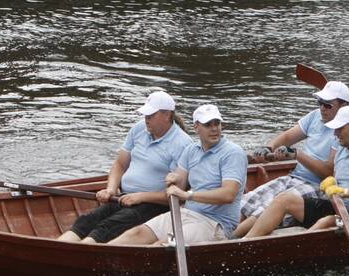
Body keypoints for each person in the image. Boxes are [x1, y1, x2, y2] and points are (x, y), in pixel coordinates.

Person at [57, 91, 192, 243]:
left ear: (167, 115)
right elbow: (120, 165)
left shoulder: (183, 144)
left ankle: (76, 254)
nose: (146, 119)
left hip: (154, 205)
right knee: (85, 221)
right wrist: (111, 188)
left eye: (151, 115)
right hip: (125, 197)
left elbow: (176, 196)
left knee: (106, 228)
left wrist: (140, 197)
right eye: (145, 114)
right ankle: (56, 250)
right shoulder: (139, 128)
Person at [109, 104, 247, 246]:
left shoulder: (233, 153)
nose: (214, 129)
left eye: (217, 123)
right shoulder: (191, 150)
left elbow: (228, 195)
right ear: (196, 127)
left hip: (215, 223)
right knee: (137, 233)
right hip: (186, 213)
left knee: (162, 244)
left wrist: (188, 195)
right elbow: (179, 182)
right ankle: (105, 255)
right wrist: (174, 178)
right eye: (208, 124)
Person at [244, 106, 349, 237]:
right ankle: (245, 241)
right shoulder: (342, 148)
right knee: (285, 199)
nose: (335, 133)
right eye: (335, 128)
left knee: (327, 221)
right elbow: (339, 178)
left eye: (340, 128)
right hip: (337, 207)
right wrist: (333, 181)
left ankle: (298, 247)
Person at [235, 81, 349, 237]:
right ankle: (224, 234)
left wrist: (297, 154)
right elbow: (287, 136)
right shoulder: (315, 116)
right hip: (295, 177)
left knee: (265, 209)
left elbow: (328, 172)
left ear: (344, 107)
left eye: (328, 105)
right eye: (320, 103)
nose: (322, 108)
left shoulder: (344, 131)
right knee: (246, 201)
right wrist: (268, 148)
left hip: (318, 186)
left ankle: (230, 240)